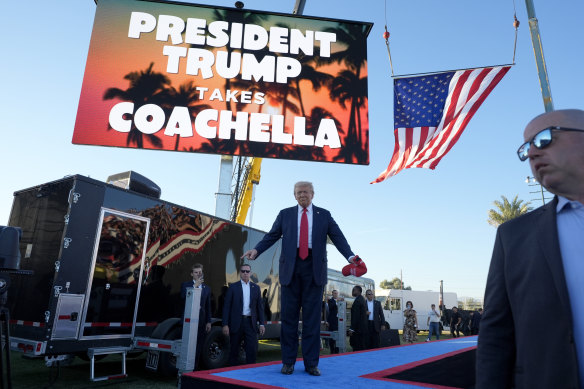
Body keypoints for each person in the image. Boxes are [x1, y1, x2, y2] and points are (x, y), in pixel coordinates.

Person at [477, 109, 584, 389]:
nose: (533, 154)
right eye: (526, 148)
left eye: (545, 139)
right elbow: (495, 335)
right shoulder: (512, 236)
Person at [242, 181, 356, 376]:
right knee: (289, 320)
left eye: (306, 192)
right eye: (298, 192)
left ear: (313, 194)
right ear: (294, 196)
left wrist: (351, 257)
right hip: (291, 270)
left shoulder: (324, 215)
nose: (302, 195)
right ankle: (288, 363)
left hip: (314, 269)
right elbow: (272, 235)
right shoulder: (285, 214)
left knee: (312, 321)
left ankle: (311, 364)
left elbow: (338, 237)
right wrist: (257, 250)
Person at [222, 264, 265, 366]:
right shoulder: (233, 287)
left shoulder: (256, 288)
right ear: (240, 273)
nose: (245, 273)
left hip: (251, 323)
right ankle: (233, 372)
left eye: (247, 271)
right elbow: (227, 307)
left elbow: (260, 307)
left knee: (252, 349)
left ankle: (251, 371)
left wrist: (262, 323)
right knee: (234, 349)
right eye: (243, 271)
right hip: (237, 322)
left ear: (250, 273)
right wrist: (225, 324)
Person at [180, 263, 212, 369]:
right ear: (191, 274)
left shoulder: (207, 288)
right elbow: (183, 297)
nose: (198, 274)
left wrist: (208, 321)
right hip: (188, 321)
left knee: (198, 346)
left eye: (200, 272)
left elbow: (208, 306)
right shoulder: (186, 285)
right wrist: (195, 286)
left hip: (201, 321)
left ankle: (195, 368)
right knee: (187, 346)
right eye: (196, 272)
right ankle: (184, 369)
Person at [349, 286, 368, 351]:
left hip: (358, 329)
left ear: (358, 291)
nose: (352, 291)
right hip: (362, 328)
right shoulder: (362, 299)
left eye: (354, 290)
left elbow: (355, 316)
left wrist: (352, 329)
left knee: (357, 347)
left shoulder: (358, 300)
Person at [326, 290, 342, 354]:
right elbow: (331, 307)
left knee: (338, 337)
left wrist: (341, 301)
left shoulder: (340, 301)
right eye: (334, 293)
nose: (336, 294)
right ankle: (332, 351)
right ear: (332, 294)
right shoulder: (330, 301)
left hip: (339, 322)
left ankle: (337, 351)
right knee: (332, 337)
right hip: (332, 322)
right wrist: (337, 303)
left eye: (337, 293)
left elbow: (344, 307)